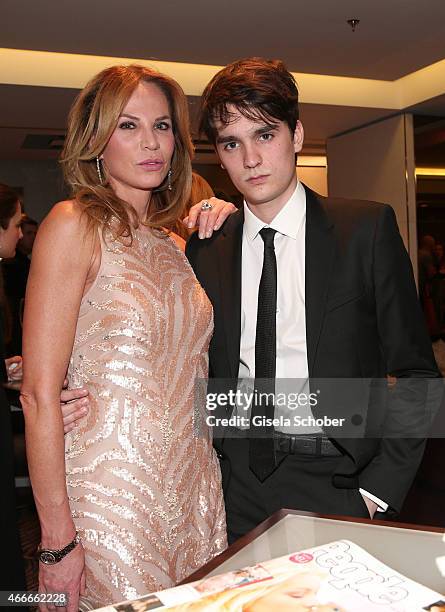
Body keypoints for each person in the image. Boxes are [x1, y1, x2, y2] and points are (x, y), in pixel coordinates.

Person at [185, 57, 441, 543]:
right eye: (232, 143)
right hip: (229, 484)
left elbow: (418, 375)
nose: (251, 159)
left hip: (338, 481)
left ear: (296, 135)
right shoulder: (207, 245)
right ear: (219, 155)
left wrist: (378, 491)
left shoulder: (364, 230)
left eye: (265, 135)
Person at [21, 64, 228, 611]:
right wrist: (56, 540)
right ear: (96, 139)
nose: (151, 143)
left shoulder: (176, 248)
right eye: (129, 126)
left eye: (162, 127)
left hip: (196, 486)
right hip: (112, 494)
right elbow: (40, 395)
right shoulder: (73, 225)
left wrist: (231, 220)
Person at [2, 215, 38, 355]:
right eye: (29, 233)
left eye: (36, 233)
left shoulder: (27, 264)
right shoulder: (11, 265)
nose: (33, 237)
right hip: (14, 331)